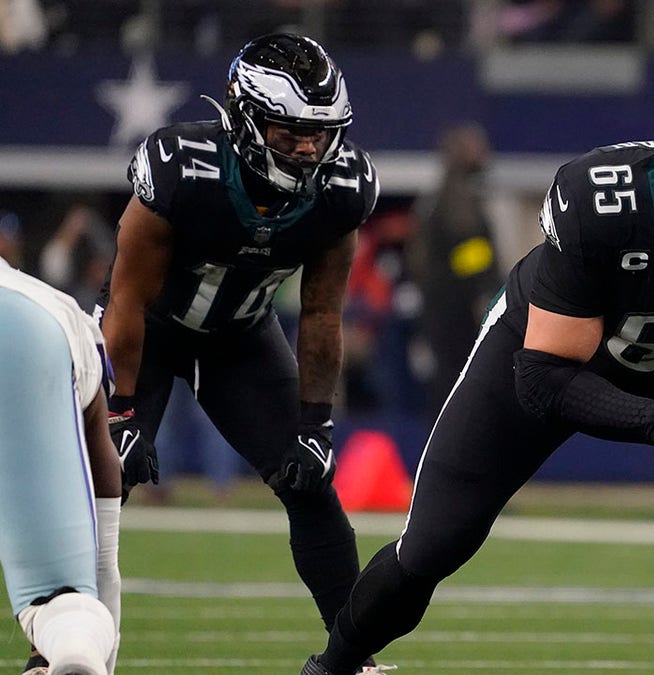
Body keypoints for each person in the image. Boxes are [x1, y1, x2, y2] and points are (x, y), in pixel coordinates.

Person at [300, 56, 654, 675]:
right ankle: (334, 665)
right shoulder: (603, 201)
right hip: (555, 350)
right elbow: (542, 379)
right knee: (434, 543)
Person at [96, 32, 382, 670]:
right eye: (289, 131)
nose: (308, 146)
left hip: (243, 338)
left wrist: (316, 422)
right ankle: (51, 652)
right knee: (100, 487)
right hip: (149, 331)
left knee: (311, 482)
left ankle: (354, 658)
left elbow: (321, 309)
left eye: (320, 130)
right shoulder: (181, 165)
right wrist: (119, 410)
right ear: (246, 116)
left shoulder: (341, 185)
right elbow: (126, 299)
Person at [0, 258, 122, 675]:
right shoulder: (56, 309)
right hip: (27, 328)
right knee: (58, 603)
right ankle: (64, 648)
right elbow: (104, 483)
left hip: (25, 331)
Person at [407, 122, 503, 420]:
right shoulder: (456, 199)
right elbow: (471, 254)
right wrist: (483, 294)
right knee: (458, 380)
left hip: (440, 306)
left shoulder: (440, 196)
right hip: (456, 310)